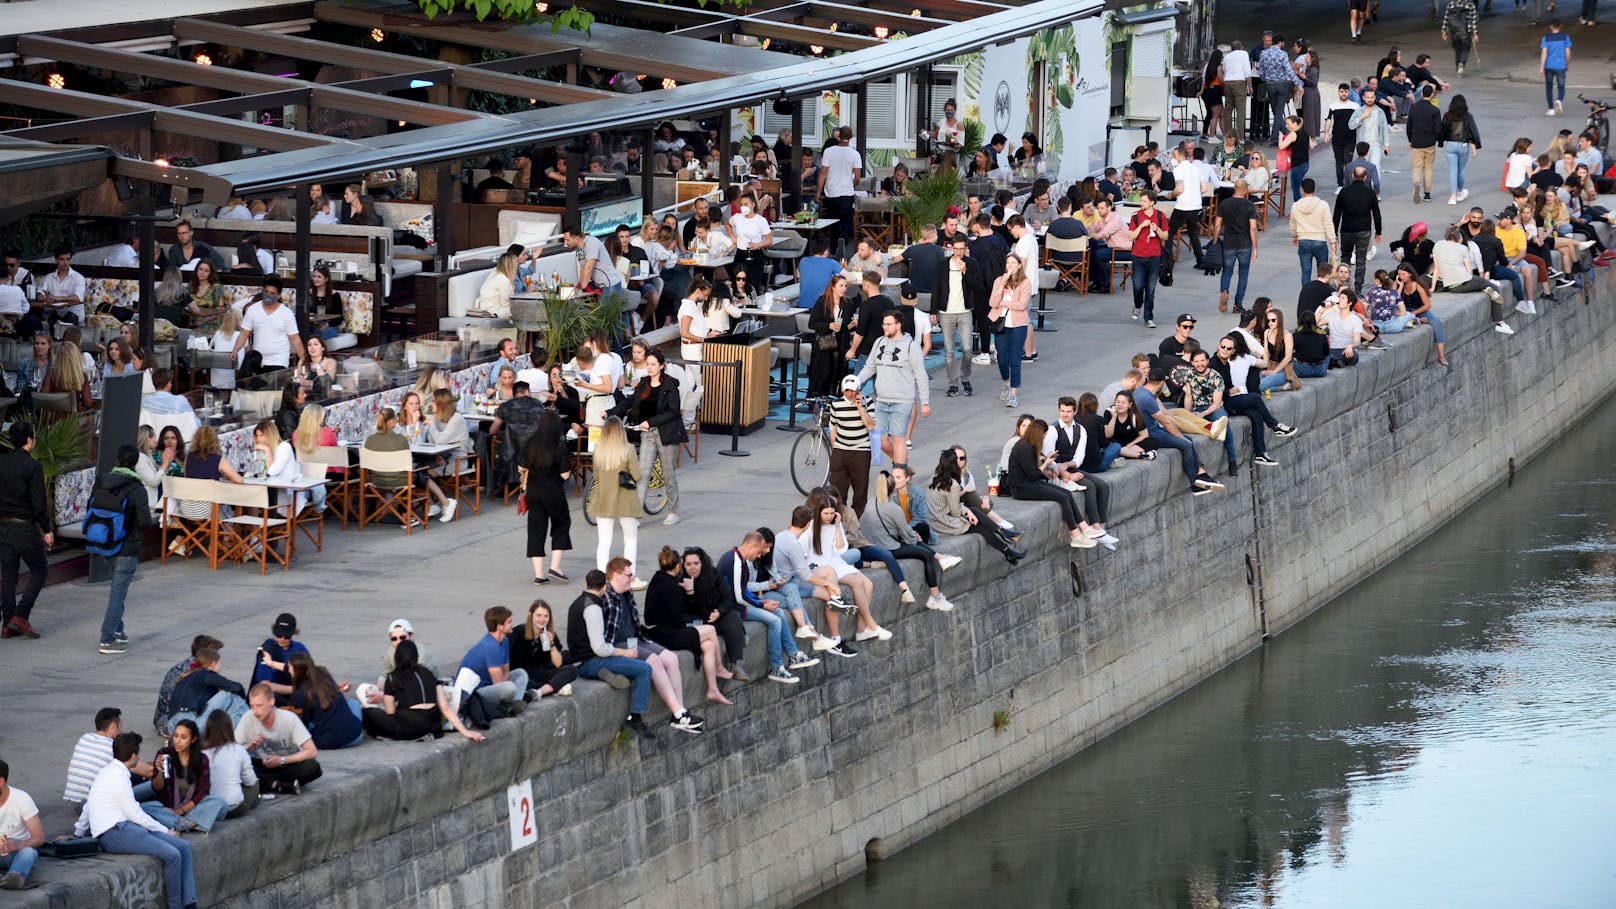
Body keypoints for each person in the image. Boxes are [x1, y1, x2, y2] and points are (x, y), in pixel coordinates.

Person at [574, 561, 706, 738]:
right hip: (616, 644)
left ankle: (680, 714)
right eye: (629, 575)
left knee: (671, 659)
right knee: (653, 661)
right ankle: (679, 713)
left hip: (636, 639)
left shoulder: (626, 592)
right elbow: (599, 636)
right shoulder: (604, 597)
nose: (632, 578)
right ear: (616, 575)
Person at [73, 733, 198, 909]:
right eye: (138, 754)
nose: (139, 757)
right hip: (116, 833)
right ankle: (176, 906)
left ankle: (191, 903)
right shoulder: (119, 777)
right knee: (173, 855)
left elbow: (88, 807)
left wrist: (77, 833)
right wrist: (164, 830)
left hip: (126, 828)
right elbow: (135, 814)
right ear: (133, 756)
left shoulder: (107, 771)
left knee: (184, 847)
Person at [801, 490, 886, 645]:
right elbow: (802, 553)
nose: (829, 516)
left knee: (869, 584)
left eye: (832, 513)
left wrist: (838, 525)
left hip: (836, 562)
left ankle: (862, 630)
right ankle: (871, 624)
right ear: (818, 512)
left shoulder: (835, 525)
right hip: (821, 565)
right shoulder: (810, 528)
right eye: (826, 513)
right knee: (856, 583)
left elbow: (841, 549)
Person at [611, 350, 685, 528]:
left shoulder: (670, 386)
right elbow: (629, 402)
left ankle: (673, 511)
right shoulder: (644, 383)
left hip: (666, 433)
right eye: (648, 364)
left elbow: (674, 412)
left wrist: (650, 421)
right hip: (647, 433)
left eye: (653, 364)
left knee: (668, 475)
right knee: (642, 473)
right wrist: (610, 412)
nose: (649, 367)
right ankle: (635, 515)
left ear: (661, 366)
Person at [1135, 369, 1225, 496]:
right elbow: (1166, 423)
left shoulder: (1140, 390)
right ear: (1161, 383)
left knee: (1189, 438)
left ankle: (1201, 472)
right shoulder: (1147, 399)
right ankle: (1195, 483)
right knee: (1186, 444)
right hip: (1152, 433)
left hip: (1151, 428)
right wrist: (1180, 437)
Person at [925, 451, 1025, 564]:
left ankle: (1007, 546)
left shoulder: (933, 478)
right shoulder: (952, 484)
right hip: (944, 524)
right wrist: (967, 511)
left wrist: (967, 511)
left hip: (933, 522)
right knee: (980, 527)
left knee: (974, 515)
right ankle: (1006, 543)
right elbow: (956, 513)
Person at [0, 424, 48, 641]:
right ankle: (21, 615)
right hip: (24, 526)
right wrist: (47, 529)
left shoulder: (3, 464)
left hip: (4, 526)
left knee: (9, 576)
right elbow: (38, 504)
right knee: (39, 570)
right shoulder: (33, 466)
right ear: (30, 439)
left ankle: (7, 622)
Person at [141, 718, 228, 833]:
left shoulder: (202, 759)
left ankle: (183, 823)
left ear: (193, 739)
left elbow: (203, 790)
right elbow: (157, 787)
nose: (177, 741)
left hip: (190, 808)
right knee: (145, 807)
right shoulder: (165, 753)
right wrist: (160, 772)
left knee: (219, 803)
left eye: (183, 737)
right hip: (167, 809)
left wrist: (181, 811)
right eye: (176, 736)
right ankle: (189, 823)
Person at [234, 683, 321, 794]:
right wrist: (248, 746)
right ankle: (277, 785)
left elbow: (311, 751)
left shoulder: (288, 718)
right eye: (252, 706)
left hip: (286, 764)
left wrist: (281, 760)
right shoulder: (248, 717)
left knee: (313, 767)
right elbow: (232, 751)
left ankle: (265, 784)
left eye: (259, 705)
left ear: (272, 701)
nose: (255, 711)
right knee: (240, 764)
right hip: (261, 765)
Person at [519, 408, 573, 585]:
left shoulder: (531, 441)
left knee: (536, 529)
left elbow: (521, 467)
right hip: (553, 490)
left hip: (533, 490)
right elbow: (565, 475)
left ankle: (539, 574)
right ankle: (555, 567)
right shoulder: (559, 445)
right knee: (561, 524)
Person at [458, 606, 532, 717]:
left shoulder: (504, 641)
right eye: (509, 622)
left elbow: (505, 670)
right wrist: (508, 687)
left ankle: (514, 704)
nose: (512, 624)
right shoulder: (490, 646)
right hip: (476, 693)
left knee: (521, 673)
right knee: (508, 688)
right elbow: (498, 683)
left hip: (492, 685)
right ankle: (507, 706)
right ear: (499, 626)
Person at [164, 648, 248, 735]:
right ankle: (247, 731)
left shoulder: (187, 678)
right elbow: (237, 688)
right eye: (218, 662)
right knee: (230, 695)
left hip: (173, 727)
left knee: (229, 708)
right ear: (213, 663)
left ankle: (232, 735)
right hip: (192, 723)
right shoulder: (205, 674)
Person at [232, 277, 305, 372]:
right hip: (257, 359)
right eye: (266, 292)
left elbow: (295, 338)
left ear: (278, 295)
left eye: (272, 293)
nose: (268, 295)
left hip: (279, 360)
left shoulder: (287, 313)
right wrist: (235, 350)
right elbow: (244, 333)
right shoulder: (252, 310)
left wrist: (303, 358)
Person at [509, 600, 579, 699]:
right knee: (528, 682)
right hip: (521, 674)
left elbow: (558, 663)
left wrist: (552, 645)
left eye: (546, 616)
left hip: (538, 672)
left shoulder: (549, 634)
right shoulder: (519, 632)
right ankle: (553, 687)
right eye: (539, 615)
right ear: (530, 615)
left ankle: (538, 693)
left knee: (572, 670)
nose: (542, 619)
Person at [986, 254, 1031, 406]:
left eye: (1013, 263)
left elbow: (1022, 305)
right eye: (1008, 263)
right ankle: (1006, 382)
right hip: (1001, 325)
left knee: (1015, 359)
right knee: (1002, 358)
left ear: (1019, 265)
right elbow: (993, 302)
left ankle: (1013, 393)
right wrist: (1001, 286)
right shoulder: (999, 281)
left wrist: (1005, 302)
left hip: (1018, 325)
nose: (1010, 265)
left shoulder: (1025, 283)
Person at [200, 711, 260, 817]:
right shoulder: (239, 749)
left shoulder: (202, 753)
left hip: (209, 807)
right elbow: (250, 782)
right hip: (234, 808)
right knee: (254, 784)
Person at [1334, 166, 1384, 292]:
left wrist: (1334, 232)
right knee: (1361, 260)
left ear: (1352, 176)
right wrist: (1378, 232)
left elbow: (1337, 213)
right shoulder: (1370, 192)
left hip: (1347, 230)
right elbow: (1376, 213)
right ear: (1365, 177)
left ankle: (1343, 287)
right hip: (1364, 230)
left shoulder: (1344, 192)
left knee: (1345, 257)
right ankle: (1357, 289)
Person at [1213, 179, 1259, 315]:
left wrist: (1215, 240)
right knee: (1243, 274)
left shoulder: (1225, 203)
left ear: (1234, 188)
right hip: (1245, 244)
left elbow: (1217, 225)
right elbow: (1253, 227)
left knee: (1227, 271)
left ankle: (1224, 291)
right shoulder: (1249, 205)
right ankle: (1237, 305)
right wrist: (1255, 247)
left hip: (1229, 243)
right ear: (1244, 190)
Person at [1126, 192, 1169, 328]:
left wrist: (1157, 229)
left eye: (1144, 201)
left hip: (1154, 256)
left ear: (1152, 202)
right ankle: (1138, 304)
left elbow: (1165, 236)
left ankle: (1148, 318)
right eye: (1141, 201)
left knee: (1150, 289)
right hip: (1138, 256)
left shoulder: (1160, 216)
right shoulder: (1136, 216)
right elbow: (1131, 236)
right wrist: (1141, 226)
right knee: (1138, 286)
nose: (1141, 203)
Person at [817, 126, 863, 251]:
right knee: (845, 222)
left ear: (839, 136)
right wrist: (850, 185)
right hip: (847, 193)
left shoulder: (829, 151)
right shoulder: (855, 154)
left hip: (831, 193)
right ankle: (842, 245)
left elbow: (822, 173)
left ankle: (832, 247)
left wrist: (817, 192)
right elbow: (858, 177)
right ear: (851, 137)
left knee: (832, 222)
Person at [0, 758, 43, 891]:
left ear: (0, 781)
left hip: (14, 852)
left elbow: (39, 838)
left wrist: (16, 845)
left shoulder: (21, 799)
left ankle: (14, 877)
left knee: (29, 852)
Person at [250, 612, 309, 702]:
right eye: (279, 635)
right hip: (278, 697)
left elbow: (310, 673)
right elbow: (265, 684)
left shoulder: (300, 648)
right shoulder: (267, 650)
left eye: (286, 636)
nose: (282, 639)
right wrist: (295, 689)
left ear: (293, 633)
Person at [1440, 94, 1481, 205]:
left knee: (1452, 170)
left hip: (1450, 145)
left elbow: (1442, 130)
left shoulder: (1447, 115)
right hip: (1463, 145)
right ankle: (1459, 191)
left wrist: (1441, 141)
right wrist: (1474, 146)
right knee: (1461, 169)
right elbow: (1473, 131)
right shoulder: (1468, 116)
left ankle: (1452, 196)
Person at [1440, 0, 1480, 75]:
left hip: (1453, 31)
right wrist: (1475, 33)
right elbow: (1473, 21)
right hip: (1465, 31)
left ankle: (1458, 65)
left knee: (1457, 49)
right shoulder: (1470, 5)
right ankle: (1461, 63)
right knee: (1465, 49)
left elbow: (1446, 18)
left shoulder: (1451, 4)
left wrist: (1444, 31)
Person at [1279, 115, 1311, 203]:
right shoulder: (1305, 132)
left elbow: (1282, 146)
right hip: (1305, 163)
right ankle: (1303, 206)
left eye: (1288, 124)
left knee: (1296, 190)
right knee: (1300, 187)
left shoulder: (1293, 134)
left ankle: (1299, 209)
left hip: (1297, 165)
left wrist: (1280, 137)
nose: (1286, 126)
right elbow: (1311, 146)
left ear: (1295, 123)